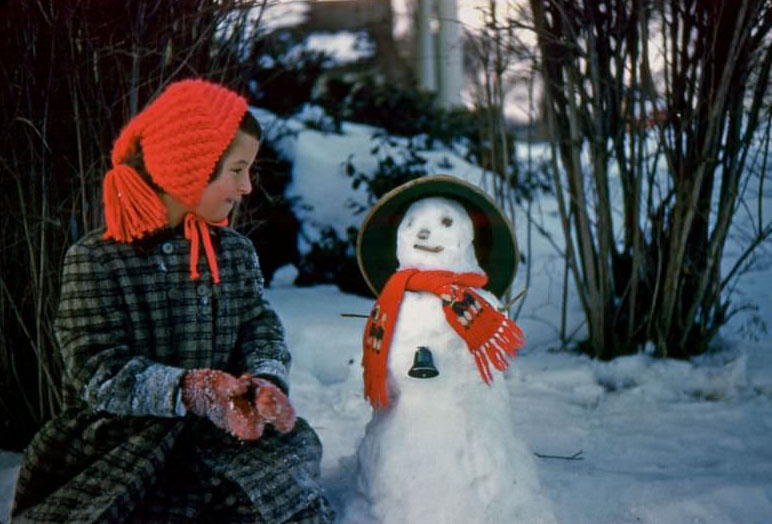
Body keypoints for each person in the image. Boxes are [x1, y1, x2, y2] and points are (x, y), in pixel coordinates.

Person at [11, 79, 335, 523]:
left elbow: (258, 325)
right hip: (123, 441)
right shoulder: (97, 260)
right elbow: (96, 369)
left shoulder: (234, 251)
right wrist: (192, 390)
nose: (246, 188)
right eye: (236, 170)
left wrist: (262, 381)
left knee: (280, 480)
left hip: (219, 433)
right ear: (192, 168)